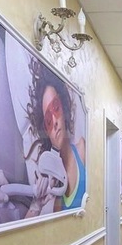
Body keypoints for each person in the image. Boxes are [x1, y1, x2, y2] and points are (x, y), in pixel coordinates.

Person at [25, 57, 86, 211]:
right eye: (48, 121)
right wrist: (36, 205)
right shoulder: (57, 195)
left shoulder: (82, 150)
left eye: (56, 108)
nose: (55, 122)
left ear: (64, 109)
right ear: (46, 131)